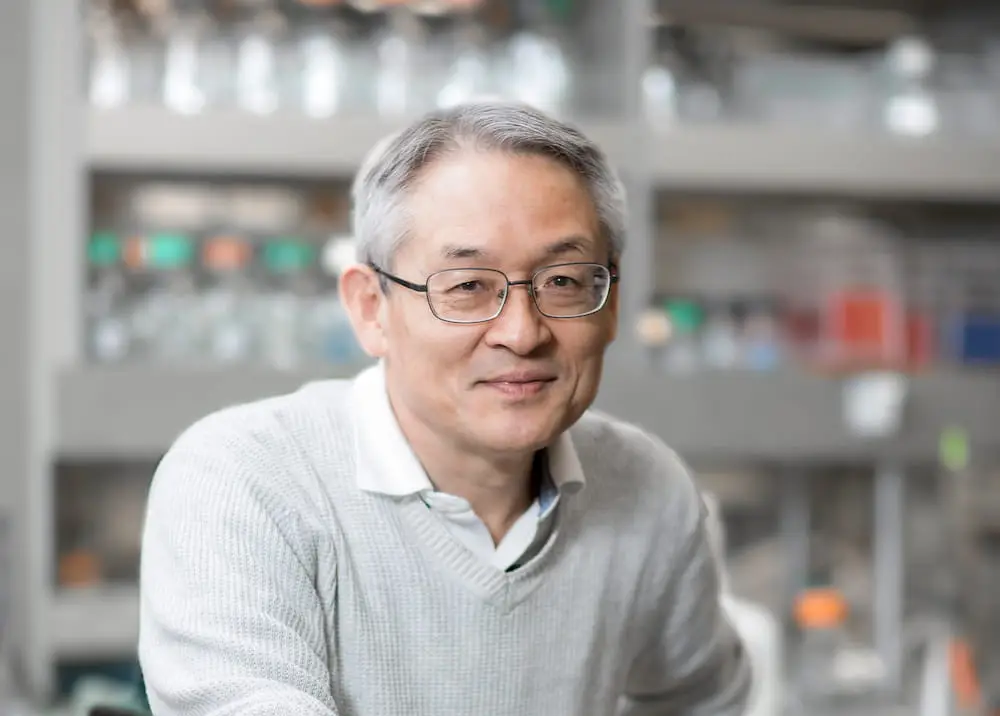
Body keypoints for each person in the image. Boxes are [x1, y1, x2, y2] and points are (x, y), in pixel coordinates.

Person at [138, 101, 752, 716]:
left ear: (612, 304)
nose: (522, 331)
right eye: (466, 286)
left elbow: (703, 699)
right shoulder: (243, 480)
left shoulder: (647, 487)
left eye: (563, 281)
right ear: (370, 308)